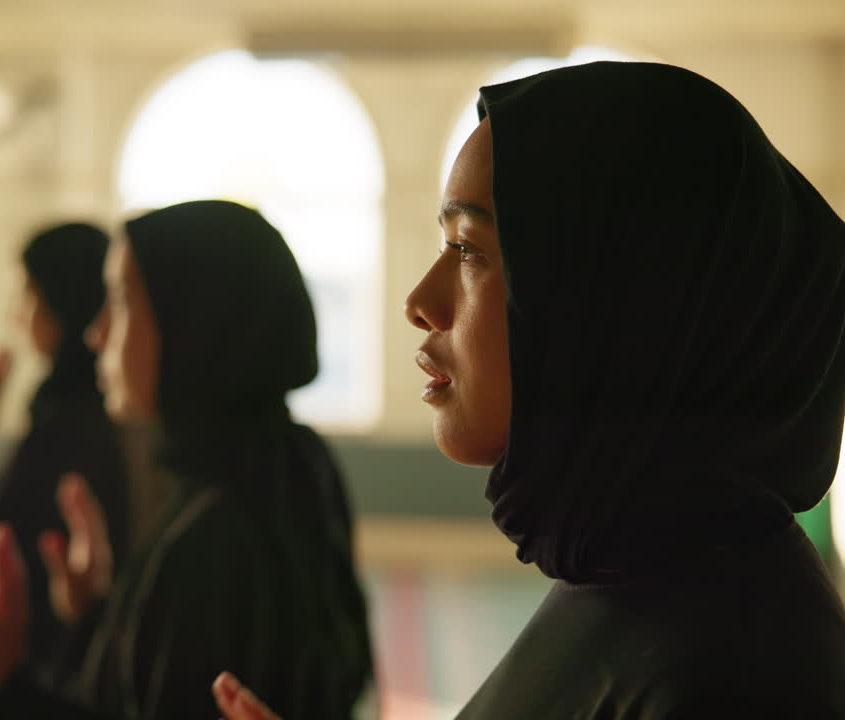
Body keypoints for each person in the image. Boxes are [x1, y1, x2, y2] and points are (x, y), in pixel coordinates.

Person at [217, 61, 845, 719]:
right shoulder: (630, 566)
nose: (420, 303)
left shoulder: (735, 671)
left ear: (618, 300)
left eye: (468, 250)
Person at [0, 200, 375, 719]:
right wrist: (100, 614)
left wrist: (6, 693)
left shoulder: (218, 532)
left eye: (120, 301)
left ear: (192, 322)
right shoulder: (289, 462)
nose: (96, 333)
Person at [0, 222, 128, 720]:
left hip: (34, 686)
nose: (18, 315)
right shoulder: (93, 419)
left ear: (60, 303)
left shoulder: (66, 432)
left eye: (28, 296)